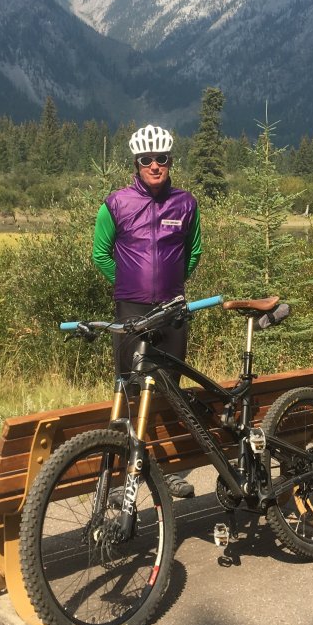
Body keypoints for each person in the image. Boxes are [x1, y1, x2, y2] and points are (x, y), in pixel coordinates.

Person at [92, 124, 202, 498]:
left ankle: (166, 470)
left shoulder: (186, 203)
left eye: (162, 159)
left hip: (172, 311)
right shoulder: (116, 203)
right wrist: (128, 283)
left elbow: (194, 253)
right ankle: (120, 476)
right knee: (129, 389)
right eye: (146, 160)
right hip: (131, 311)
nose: (155, 165)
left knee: (170, 389)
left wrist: (170, 287)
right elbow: (100, 254)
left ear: (171, 161)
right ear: (136, 163)